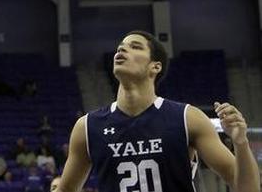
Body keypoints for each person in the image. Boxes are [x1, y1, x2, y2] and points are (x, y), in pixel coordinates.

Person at [56, 31, 260, 192]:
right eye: (120, 48)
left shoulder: (187, 118)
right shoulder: (87, 126)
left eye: (134, 47)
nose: (122, 51)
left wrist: (240, 142)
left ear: (155, 66)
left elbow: (247, 188)